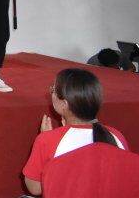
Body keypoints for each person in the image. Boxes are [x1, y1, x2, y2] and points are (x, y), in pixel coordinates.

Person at [22, 68, 129, 196]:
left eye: (53, 90)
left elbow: (35, 188)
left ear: (64, 104)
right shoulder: (116, 135)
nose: (51, 93)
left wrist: (46, 138)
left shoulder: (48, 140)